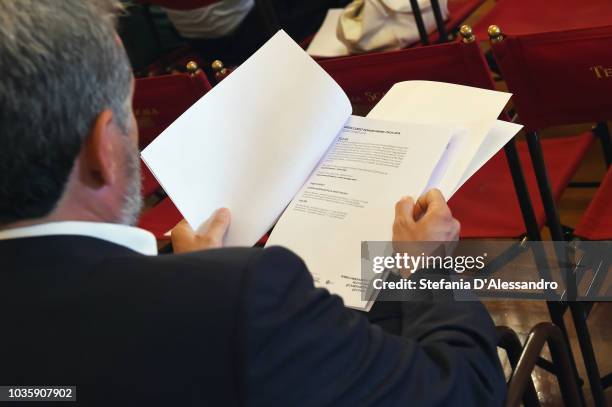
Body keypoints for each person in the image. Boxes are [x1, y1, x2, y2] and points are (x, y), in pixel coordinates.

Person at [0, 0, 505, 405]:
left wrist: (190, 284)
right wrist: (426, 270)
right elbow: (464, 389)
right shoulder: (246, 295)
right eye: (130, 112)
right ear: (103, 149)